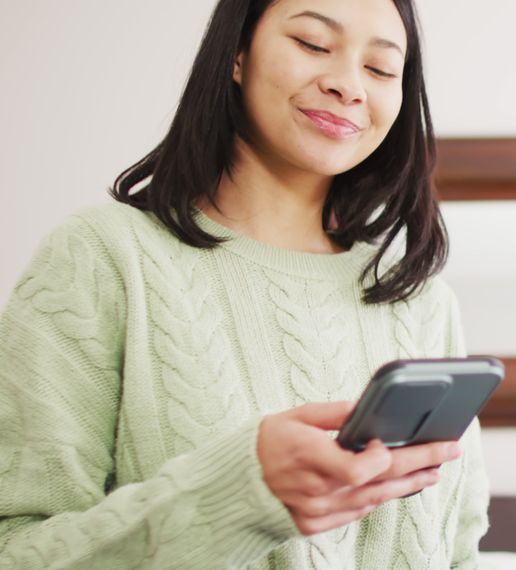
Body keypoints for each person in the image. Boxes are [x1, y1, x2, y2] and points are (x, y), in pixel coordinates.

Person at [0, 0, 489, 567]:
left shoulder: (419, 300)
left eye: (380, 70)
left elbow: (460, 552)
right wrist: (236, 494)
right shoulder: (104, 257)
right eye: (312, 43)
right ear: (236, 54)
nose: (348, 85)